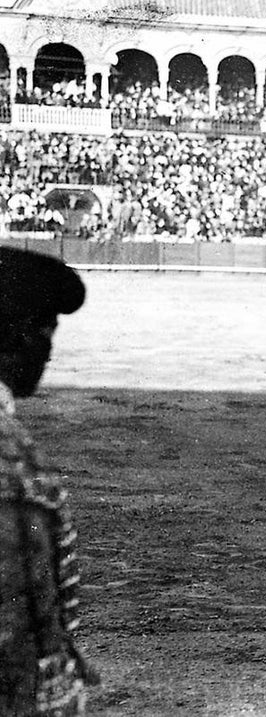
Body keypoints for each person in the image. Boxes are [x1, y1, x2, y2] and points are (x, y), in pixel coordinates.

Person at [0, 246, 98, 715]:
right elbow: (14, 643)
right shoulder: (11, 467)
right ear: (18, 338)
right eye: (46, 331)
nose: (49, 350)